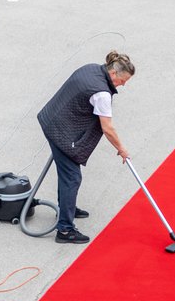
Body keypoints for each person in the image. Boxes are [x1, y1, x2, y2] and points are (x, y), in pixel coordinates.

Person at [37, 50, 135, 244]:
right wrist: (122, 149)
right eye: (123, 80)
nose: (123, 85)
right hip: (60, 131)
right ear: (114, 74)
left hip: (53, 118)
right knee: (72, 177)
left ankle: (68, 207)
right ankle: (65, 229)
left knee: (67, 175)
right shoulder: (101, 93)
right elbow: (107, 127)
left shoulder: (91, 69)